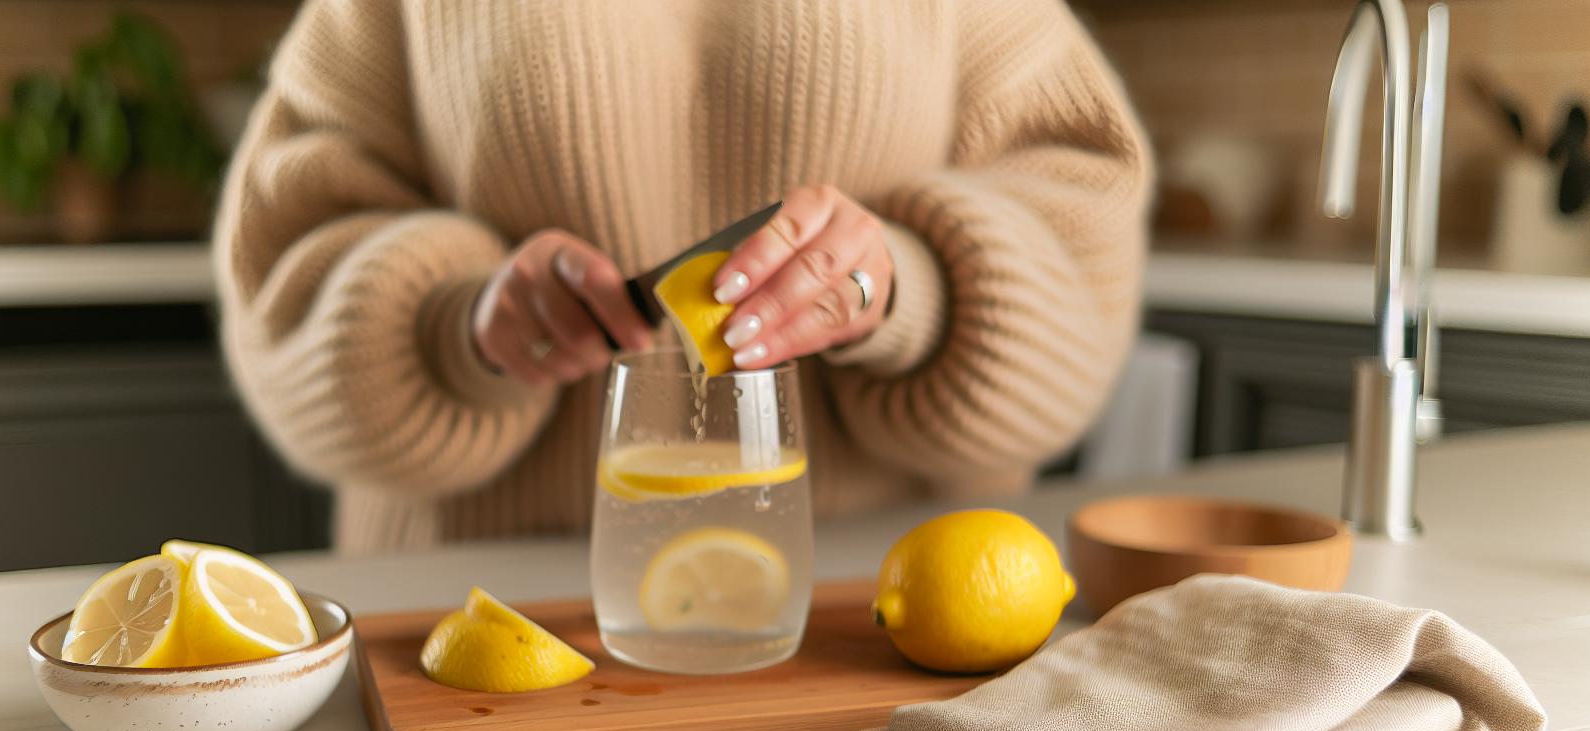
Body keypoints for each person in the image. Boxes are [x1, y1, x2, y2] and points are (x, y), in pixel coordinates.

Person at [215, 0, 1151, 552]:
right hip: (471, 619)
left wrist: (905, 294)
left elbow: (1080, 215)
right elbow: (287, 251)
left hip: (884, 612)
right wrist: (457, 330)